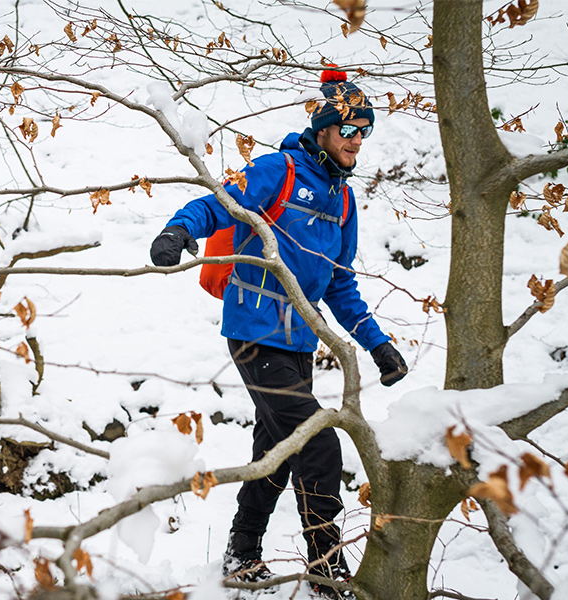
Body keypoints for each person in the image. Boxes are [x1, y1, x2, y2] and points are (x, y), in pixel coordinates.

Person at [149, 69, 407, 599]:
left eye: (365, 131)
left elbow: (339, 282)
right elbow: (219, 202)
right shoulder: (279, 170)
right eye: (349, 129)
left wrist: (377, 344)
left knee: (279, 448)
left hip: (300, 343)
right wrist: (178, 229)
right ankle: (326, 569)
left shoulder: (343, 202)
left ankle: (242, 555)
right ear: (323, 129)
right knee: (318, 440)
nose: (357, 140)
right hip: (254, 331)